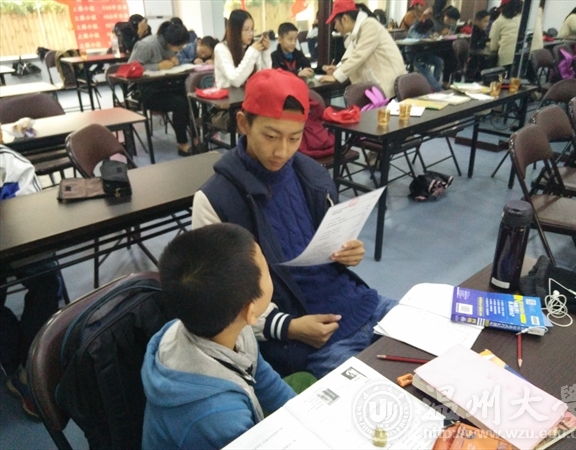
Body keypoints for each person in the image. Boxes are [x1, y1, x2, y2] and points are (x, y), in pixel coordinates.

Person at [191, 69, 397, 379]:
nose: (282, 151)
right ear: (244, 123)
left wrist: (347, 253)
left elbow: (327, 243)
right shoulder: (215, 200)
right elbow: (220, 299)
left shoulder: (311, 174)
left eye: (294, 138)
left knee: (441, 350)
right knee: (379, 396)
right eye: (271, 136)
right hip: (308, 336)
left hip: (360, 302)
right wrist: (288, 327)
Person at [141, 224, 295, 450]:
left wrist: (302, 412)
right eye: (266, 268)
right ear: (250, 311)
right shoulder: (217, 416)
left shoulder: (220, 324)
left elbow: (262, 377)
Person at [0, 146, 66, 419]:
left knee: (46, 279)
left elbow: (34, 224)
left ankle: (31, 365)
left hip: (18, 241)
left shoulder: (9, 164)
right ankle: (15, 359)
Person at [128, 20, 197, 156]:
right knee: (179, 103)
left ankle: (196, 137)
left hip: (165, 86)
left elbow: (170, 64)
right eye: (179, 46)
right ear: (170, 42)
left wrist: (176, 62)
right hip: (145, 91)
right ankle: (182, 143)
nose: (180, 49)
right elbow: (131, 68)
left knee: (191, 97)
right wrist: (157, 66)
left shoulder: (170, 45)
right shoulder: (147, 45)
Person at [319, 0, 406, 98]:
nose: (335, 27)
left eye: (335, 22)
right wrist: (338, 69)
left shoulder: (369, 25)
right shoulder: (356, 32)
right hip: (378, 88)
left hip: (389, 87)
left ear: (344, 19)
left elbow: (358, 55)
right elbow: (352, 57)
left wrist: (336, 76)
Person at [214, 9, 271, 88]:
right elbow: (235, 81)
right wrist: (252, 52)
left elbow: (264, 77)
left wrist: (265, 52)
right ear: (235, 31)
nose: (251, 34)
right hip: (230, 95)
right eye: (246, 30)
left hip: (249, 93)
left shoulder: (251, 48)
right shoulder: (221, 49)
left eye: (252, 29)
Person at [407, 19, 444, 91]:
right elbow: (417, 37)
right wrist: (428, 36)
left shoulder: (426, 29)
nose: (428, 31)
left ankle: (433, 84)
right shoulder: (413, 29)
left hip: (423, 52)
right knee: (425, 69)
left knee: (439, 62)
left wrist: (434, 35)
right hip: (412, 53)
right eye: (428, 30)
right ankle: (437, 88)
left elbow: (429, 35)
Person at [489, 0, 523, 70]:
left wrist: (487, 44)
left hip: (507, 61)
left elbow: (493, 47)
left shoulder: (499, 21)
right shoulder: (524, 18)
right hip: (524, 58)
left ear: (503, 8)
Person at [465, 10, 492, 81]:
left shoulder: (482, 32)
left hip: (479, 57)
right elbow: (473, 46)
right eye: (485, 21)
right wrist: (485, 43)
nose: (487, 24)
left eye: (488, 21)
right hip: (473, 59)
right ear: (477, 21)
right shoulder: (473, 32)